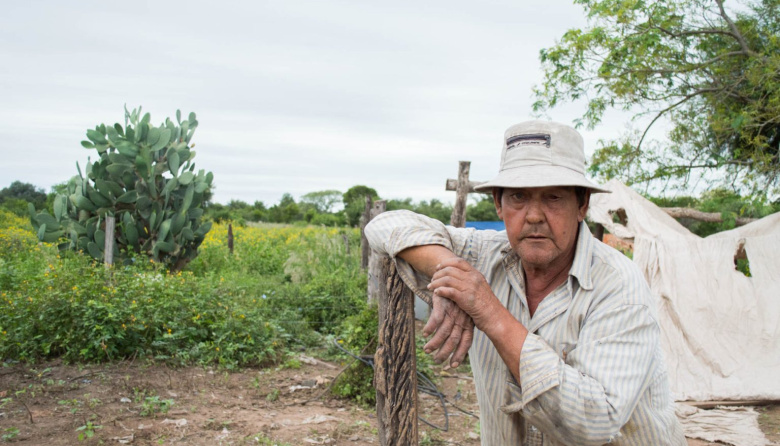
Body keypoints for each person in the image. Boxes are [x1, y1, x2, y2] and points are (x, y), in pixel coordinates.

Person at [365, 121, 686, 445]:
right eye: (519, 196)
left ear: (582, 204)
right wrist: (455, 274)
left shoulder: (618, 285)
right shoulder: (483, 256)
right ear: (498, 204)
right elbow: (384, 224)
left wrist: (488, 311)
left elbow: (595, 423)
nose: (534, 216)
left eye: (553, 197)